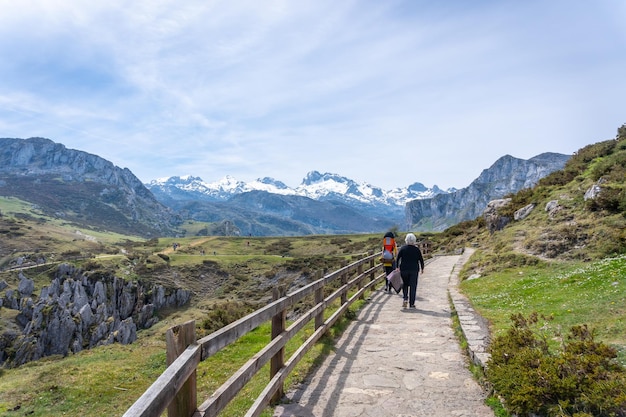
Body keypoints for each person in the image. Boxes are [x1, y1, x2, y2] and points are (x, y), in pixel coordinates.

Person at [395, 233, 425, 308]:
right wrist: (422, 268)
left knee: (404, 285)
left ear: (406, 240)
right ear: (414, 240)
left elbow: (398, 258)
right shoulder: (416, 249)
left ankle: (405, 298)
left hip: (404, 269)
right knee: (413, 286)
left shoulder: (403, 248)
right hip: (414, 270)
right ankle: (412, 303)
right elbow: (421, 259)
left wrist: (397, 267)